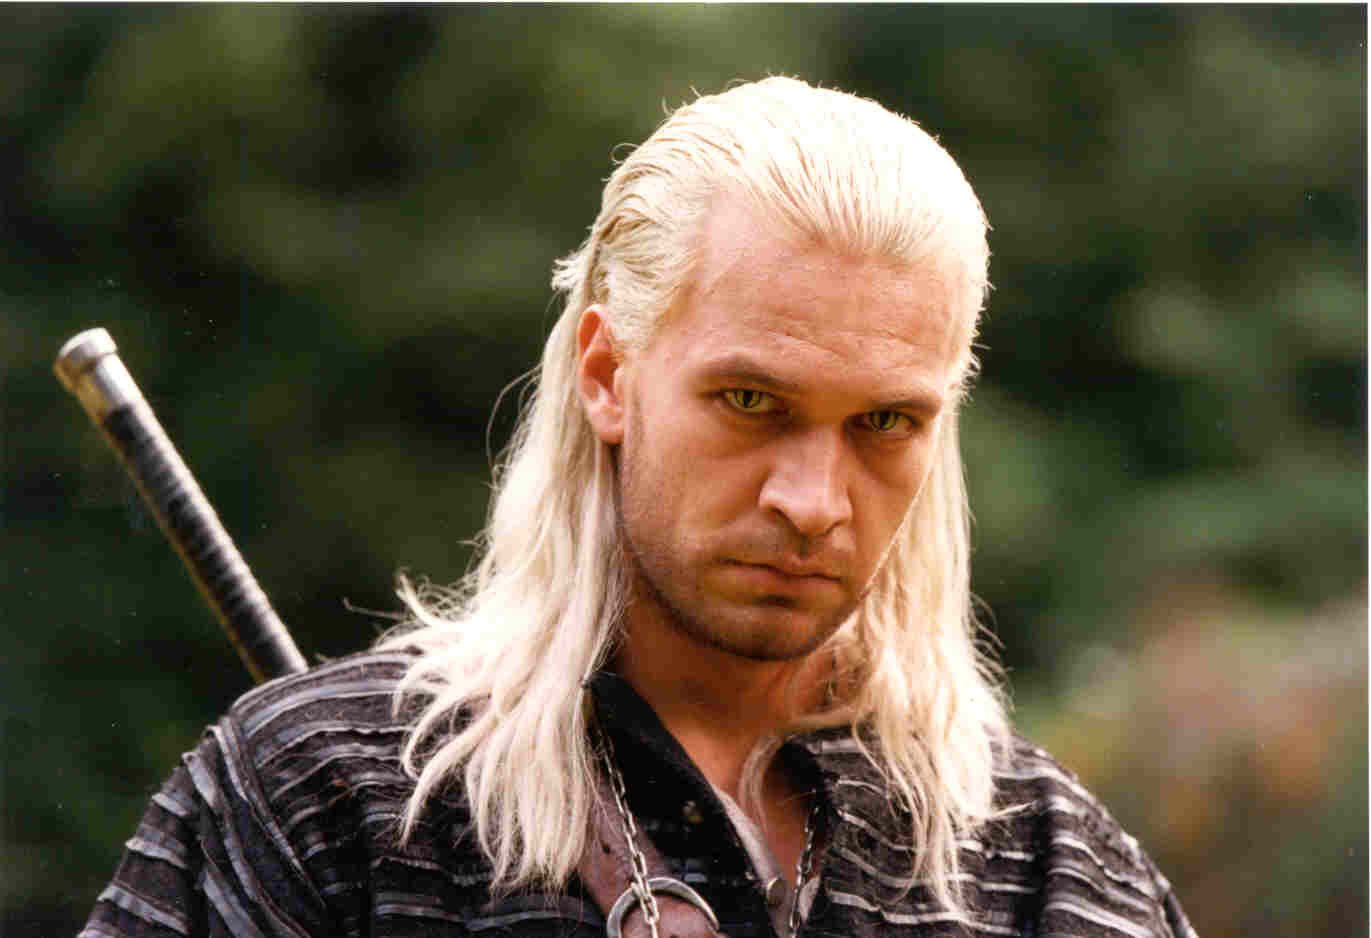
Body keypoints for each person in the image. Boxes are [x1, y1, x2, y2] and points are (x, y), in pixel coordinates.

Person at [82, 77, 1195, 938]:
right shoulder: (323, 805)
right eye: (751, 401)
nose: (812, 502)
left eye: (884, 421)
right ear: (608, 375)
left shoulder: (1046, 870)